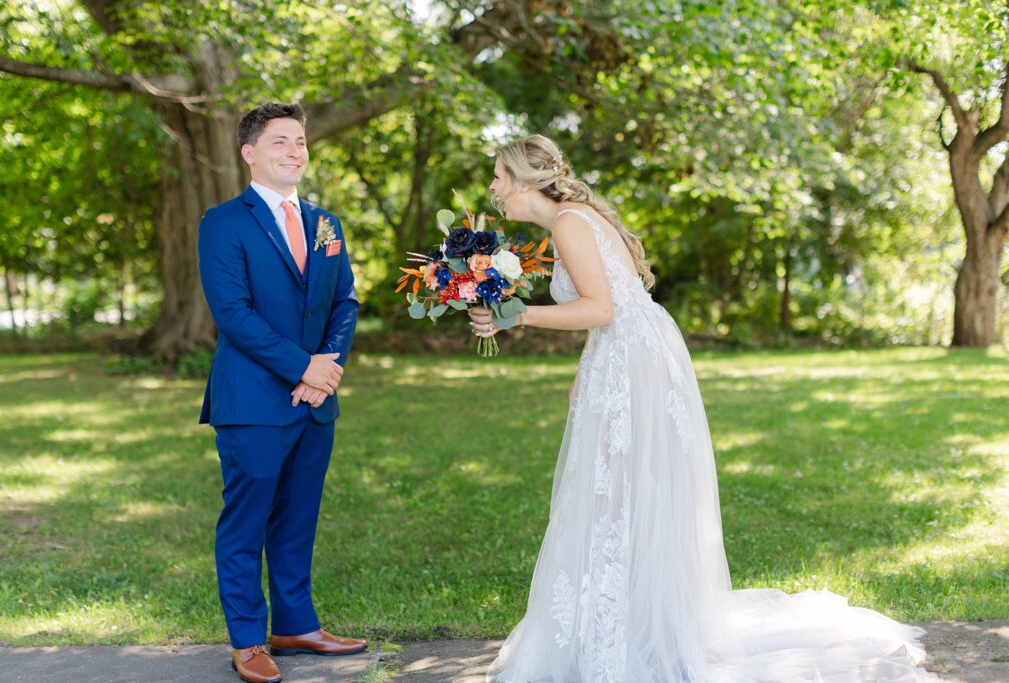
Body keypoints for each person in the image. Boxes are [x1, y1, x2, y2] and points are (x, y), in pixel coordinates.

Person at [472, 134, 937, 683]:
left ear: (526, 181)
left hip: (632, 359)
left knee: (614, 495)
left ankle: (629, 634)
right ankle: (629, 622)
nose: (495, 188)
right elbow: (612, 305)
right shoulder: (572, 220)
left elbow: (600, 307)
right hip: (629, 354)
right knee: (620, 494)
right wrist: (583, 367)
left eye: (500, 176)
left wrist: (517, 316)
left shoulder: (571, 224)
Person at [197, 102, 365, 683]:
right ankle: (247, 640)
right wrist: (303, 368)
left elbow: (345, 302)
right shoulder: (223, 222)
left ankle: (295, 624)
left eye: (300, 142)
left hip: (317, 402)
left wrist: (327, 369)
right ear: (250, 153)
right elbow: (233, 314)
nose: (295, 151)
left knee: (298, 519)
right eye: (281, 143)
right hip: (253, 400)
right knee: (246, 522)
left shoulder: (326, 223)